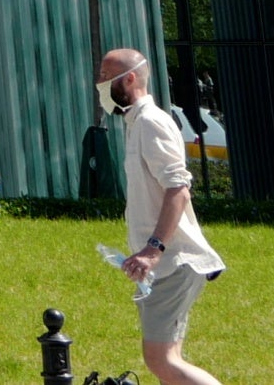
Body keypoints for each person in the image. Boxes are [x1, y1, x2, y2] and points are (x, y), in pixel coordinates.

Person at [95, 48, 227, 385]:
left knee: (162, 359)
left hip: (173, 263)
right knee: (165, 360)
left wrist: (153, 250)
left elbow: (179, 190)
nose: (100, 85)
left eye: (105, 77)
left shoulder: (151, 122)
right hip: (162, 267)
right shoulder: (136, 123)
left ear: (130, 79)